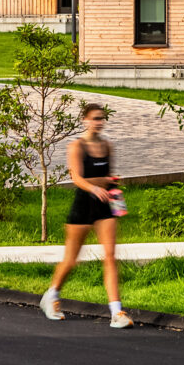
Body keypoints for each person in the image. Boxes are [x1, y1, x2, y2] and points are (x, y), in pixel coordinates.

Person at [43, 105, 130, 329]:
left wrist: (113, 185)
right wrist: (94, 188)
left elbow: (108, 176)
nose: (99, 122)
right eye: (95, 119)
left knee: (110, 256)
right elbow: (77, 178)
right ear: (85, 120)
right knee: (72, 259)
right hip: (83, 205)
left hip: (104, 206)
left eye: (102, 119)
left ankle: (116, 311)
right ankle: (51, 296)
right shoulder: (77, 146)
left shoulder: (107, 145)